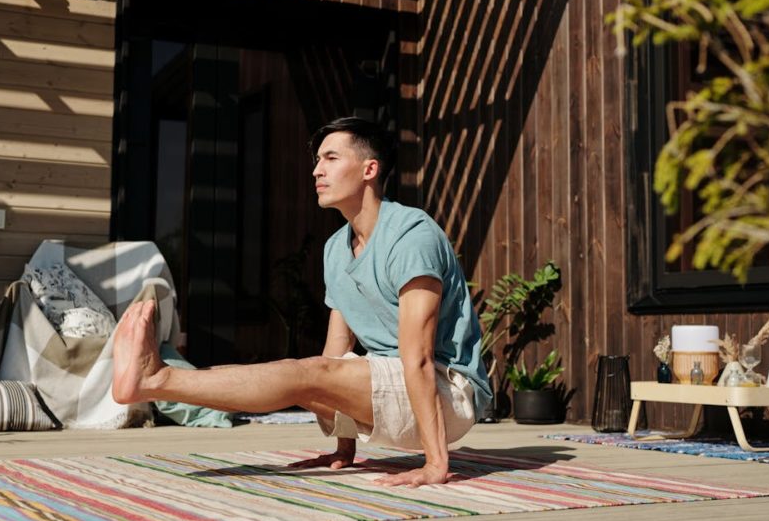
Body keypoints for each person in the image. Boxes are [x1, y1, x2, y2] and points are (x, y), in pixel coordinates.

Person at [112, 117, 491, 488]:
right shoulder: (335, 251)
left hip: (449, 392)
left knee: (304, 373)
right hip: (392, 386)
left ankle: (158, 378)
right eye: (317, 160)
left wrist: (436, 463)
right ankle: (154, 381)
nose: (316, 171)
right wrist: (345, 449)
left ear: (369, 170)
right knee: (309, 371)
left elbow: (420, 357)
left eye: (331, 158)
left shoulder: (411, 235)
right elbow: (336, 354)